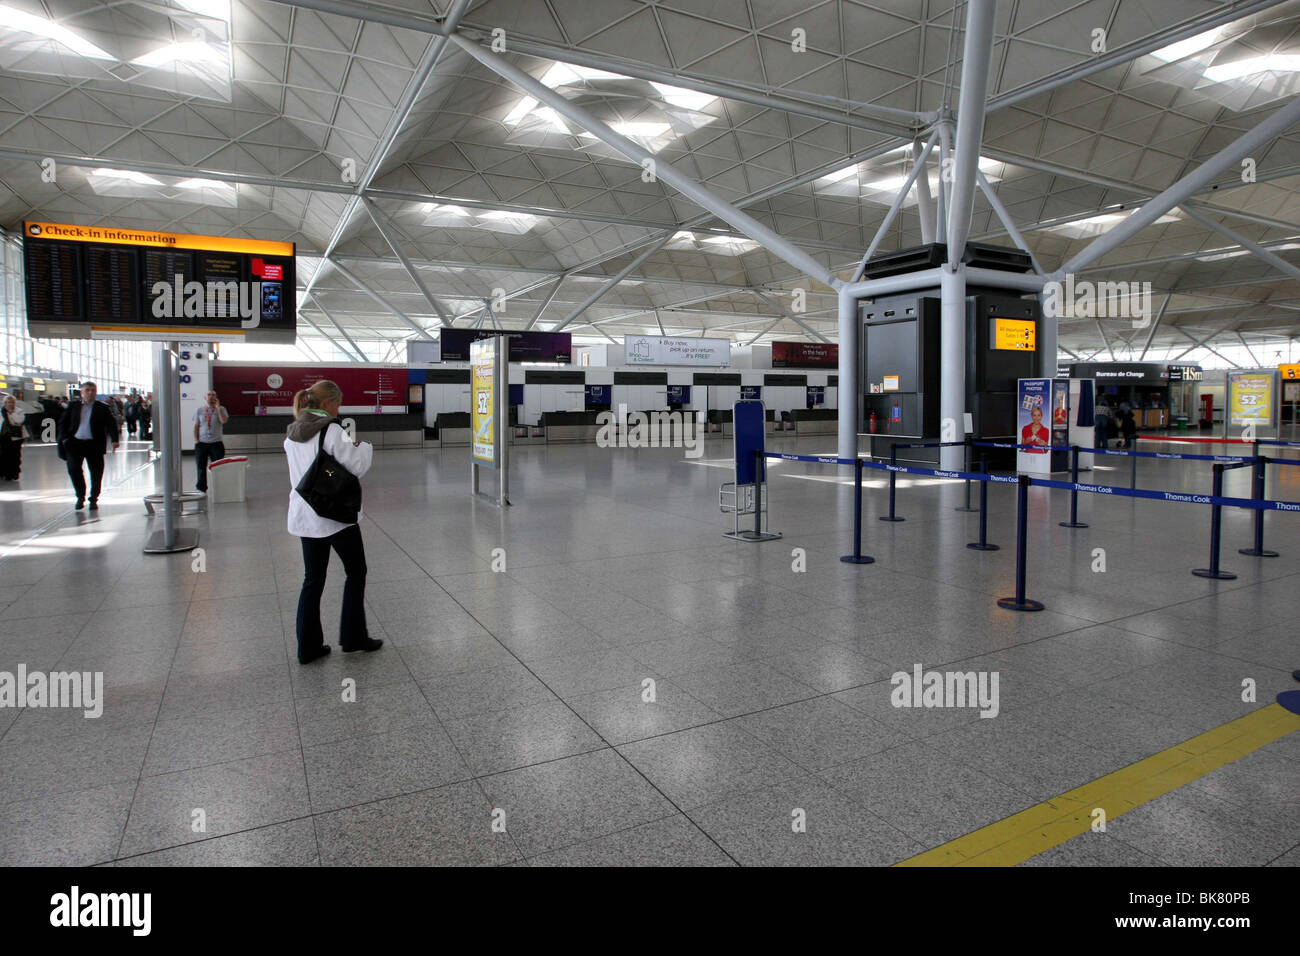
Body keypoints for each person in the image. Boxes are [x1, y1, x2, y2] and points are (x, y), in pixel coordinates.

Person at [284, 381, 381, 664]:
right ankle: (353, 637)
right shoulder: (331, 430)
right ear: (327, 404)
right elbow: (357, 466)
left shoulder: (292, 433)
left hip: (305, 516)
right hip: (336, 516)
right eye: (337, 404)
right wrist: (365, 447)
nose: (339, 410)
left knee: (312, 580)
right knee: (356, 571)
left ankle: (308, 647)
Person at [57, 381, 120, 510]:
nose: (90, 392)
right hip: (75, 443)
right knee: (74, 470)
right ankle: (80, 496)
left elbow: (111, 424)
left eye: (92, 390)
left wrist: (114, 439)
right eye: (87, 390)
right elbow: (63, 422)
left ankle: (93, 499)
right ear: (82, 392)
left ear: (96, 392)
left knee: (96, 473)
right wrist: (64, 438)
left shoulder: (102, 407)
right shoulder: (73, 406)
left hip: (94, 444)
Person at [193, 390, 229, 493]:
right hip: (202, 444)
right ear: (205, 398)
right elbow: (196, 426)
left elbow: (223, 421)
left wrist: (218, 408)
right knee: (201, 467)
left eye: (214, 395)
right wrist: (196, 440)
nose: (211, 396)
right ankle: (201, 488)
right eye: (209, 395)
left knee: (218, 467)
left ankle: (219, 487)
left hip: (216, 443)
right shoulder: (199, 410)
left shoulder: (221, 409)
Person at [0, 395, 25, 480]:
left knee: (15, 455)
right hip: (3, 436)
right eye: (8, 402)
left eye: (12, 402)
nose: (10, 404)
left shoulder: (19, 411)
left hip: (15, 436)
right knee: (4, 454)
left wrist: (11, 413)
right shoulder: (1, 411)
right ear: (4, 403)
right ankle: (5, 472)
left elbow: (19, 421)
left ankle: (14, 472)